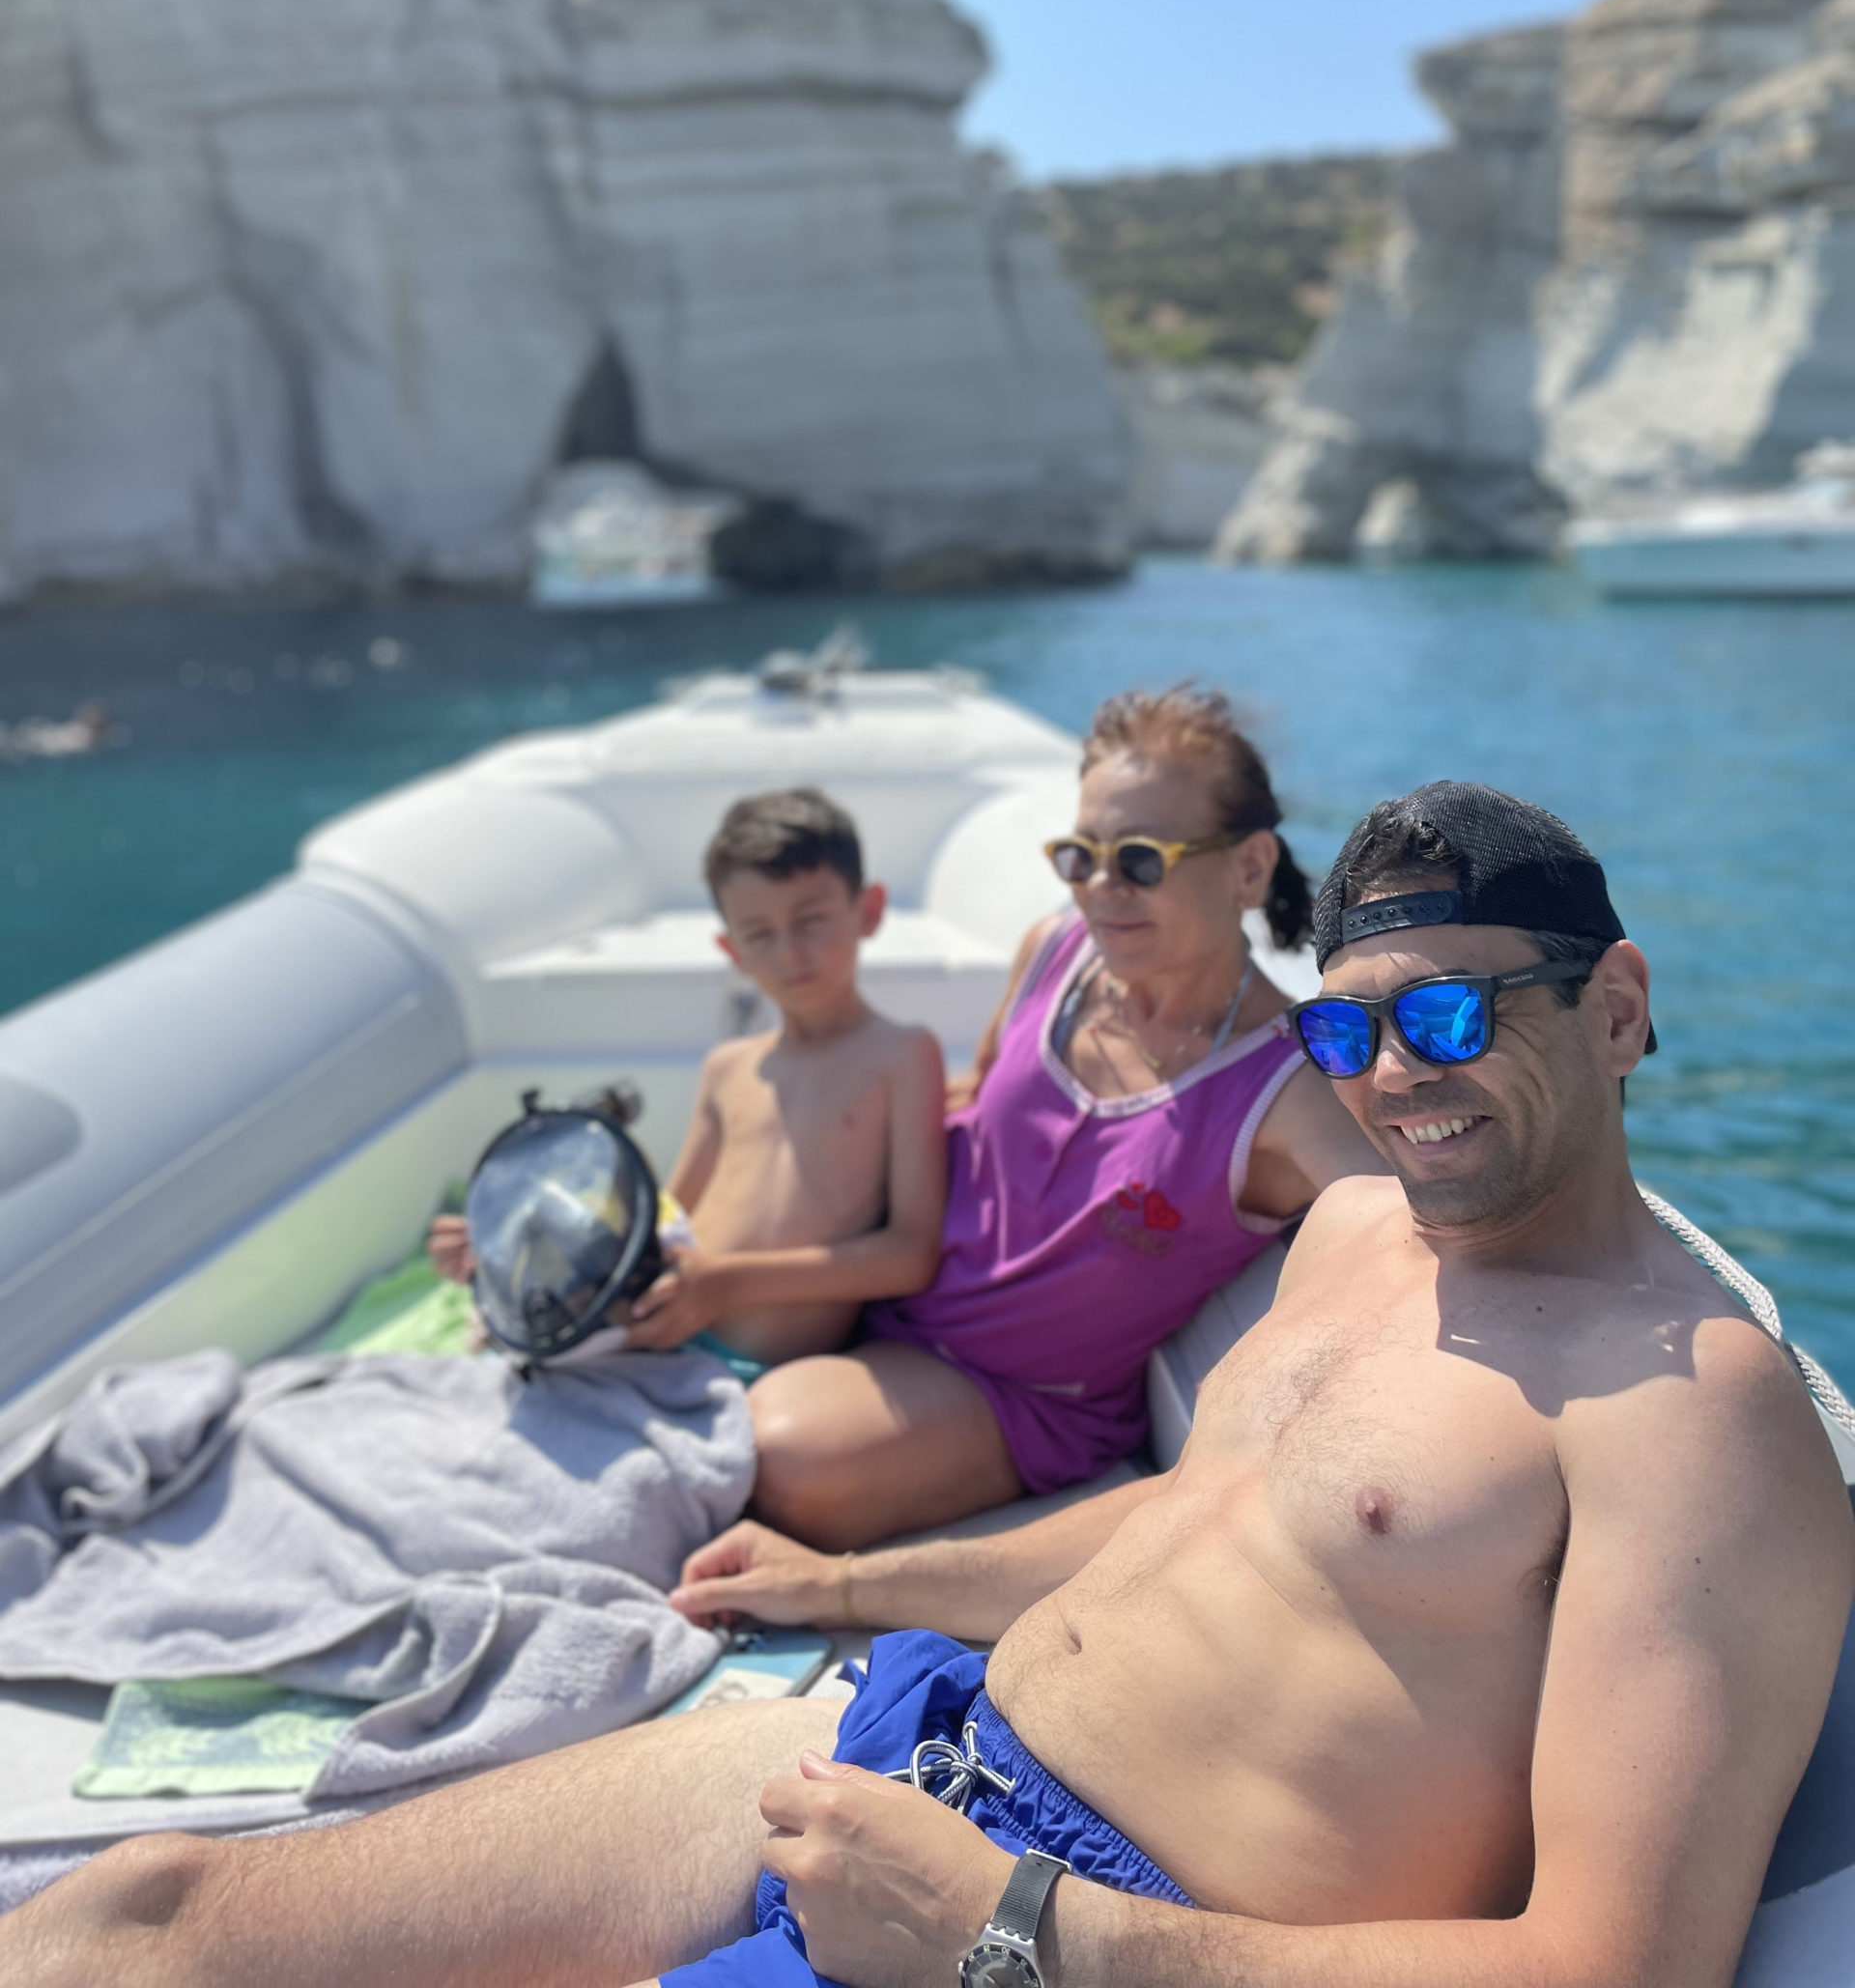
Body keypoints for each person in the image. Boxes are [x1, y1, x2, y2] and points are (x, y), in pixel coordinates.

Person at [14, 781, 1850, 1988]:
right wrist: (846, 1589)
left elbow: (1617, 1965)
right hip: (897, 1737)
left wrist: (1022, 1930)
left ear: (1613, 1007)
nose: (1394, 1072)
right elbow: (1208, 1516)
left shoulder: (1694, 1418)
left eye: (1452, 1013)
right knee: (139, 1919)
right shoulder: (1360, 1234)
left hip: (1066, 1923)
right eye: (1347, 1025)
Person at [746, 684, 1384, 1548]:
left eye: (1142, 860)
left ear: (1248, 866)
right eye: (1082, 855)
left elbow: (1409, 1243)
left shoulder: (1285, 1091)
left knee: (775, 1456)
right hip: (901, 1280)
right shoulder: (1055, 951)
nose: (1102, 887)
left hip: (1014, 1394)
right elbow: (971, 1100)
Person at [428, 787, 947, 1382]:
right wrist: (506, 1248)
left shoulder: (901, 1055)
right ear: (732, 950)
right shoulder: (727, 1067)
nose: (789, 952)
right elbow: (661, 1221)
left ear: (870, 911)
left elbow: (911, 1255)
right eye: (759, 933)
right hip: (651, 1330)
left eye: (811, 920)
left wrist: (725, 1285)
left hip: (749, 1365)